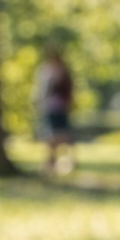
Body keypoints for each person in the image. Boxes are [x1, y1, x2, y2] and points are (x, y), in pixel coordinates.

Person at [35, 46, 74, 174]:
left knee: (62, 135)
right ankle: (51, 161)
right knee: (52, 136)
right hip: (50, 108)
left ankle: (64, 160)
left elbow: (68, 91)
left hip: (59, 108)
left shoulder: (62, 72)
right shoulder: (46, 72)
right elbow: (42, 91)